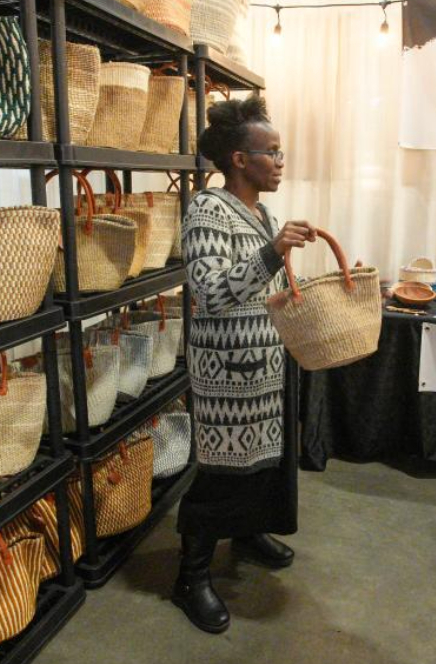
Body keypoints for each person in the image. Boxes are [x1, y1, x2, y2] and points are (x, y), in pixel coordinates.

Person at [173, 97, 315, 634]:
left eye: (281, 153)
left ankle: (248, 532)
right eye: (271, 153)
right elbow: (210, 292)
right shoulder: (206, 211)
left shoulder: (260, 212)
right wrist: (273, 252)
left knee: (264, 462)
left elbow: (261, 283)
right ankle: (191, 577)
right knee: (223, 473)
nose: (280, 162)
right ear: (239, 159)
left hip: (266, 362)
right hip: (227, 369)